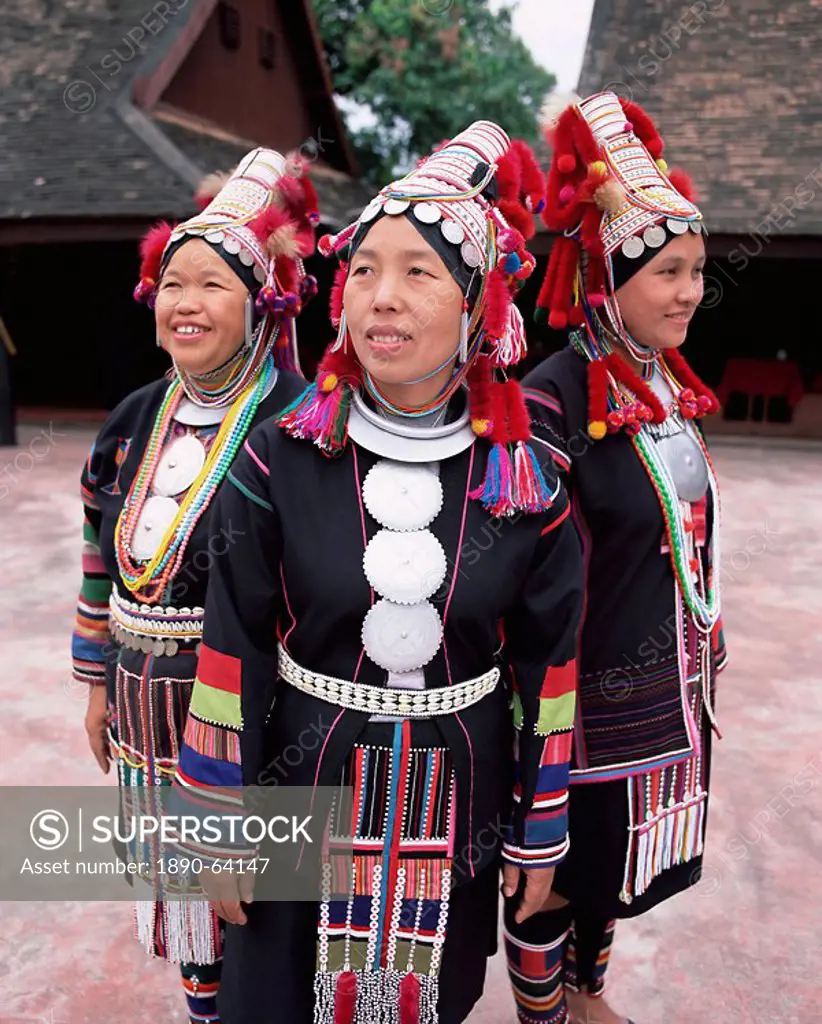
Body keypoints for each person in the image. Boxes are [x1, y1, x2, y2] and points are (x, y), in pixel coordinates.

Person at [173, 121, 585, 1024]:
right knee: (270, 998)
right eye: (363, 270)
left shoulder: (527, 479)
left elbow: (548, 669)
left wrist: (540, 825)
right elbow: (231, 642)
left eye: (417, 273)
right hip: (295, 788)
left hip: (458, 803)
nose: (381, 298)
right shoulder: (279, 458)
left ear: (480, 306)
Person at [70, 147, 319, 1023]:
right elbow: (100, 551)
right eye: (174, 282)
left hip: (250, 717)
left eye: (213, 284)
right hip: (142, 702)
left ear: (259, 300)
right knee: (180, 900)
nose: (187, 302)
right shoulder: (133, 416)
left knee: (248, 898)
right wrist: (96, 678)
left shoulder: (297, 421)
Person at [503, 91, 728, 1024]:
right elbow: (527, 580)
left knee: (612, 869)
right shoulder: (550, 405)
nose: (690, 291)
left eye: (699, 271)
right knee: (558, 875)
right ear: (609, 275)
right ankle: (543, 1010)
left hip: (663, 678)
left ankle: (588, 991)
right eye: (670, 271)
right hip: (580, 699)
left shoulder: (664, 388)